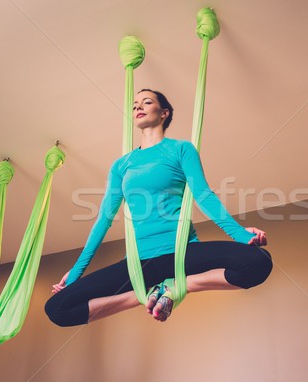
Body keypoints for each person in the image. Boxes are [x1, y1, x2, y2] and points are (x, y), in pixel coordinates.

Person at [45, 89, 272, 325]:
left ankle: (178, 286)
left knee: (259, 261)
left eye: (147, 102)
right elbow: (104, 219)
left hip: (182, 252)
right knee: (57, 309)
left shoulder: (181, 149)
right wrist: (75, 272)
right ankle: (143, 296)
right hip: (139, 264)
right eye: (134, 106)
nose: (138, 108)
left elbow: (203, 195)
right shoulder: (121, 165)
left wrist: (241, 235)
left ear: (164, 113)